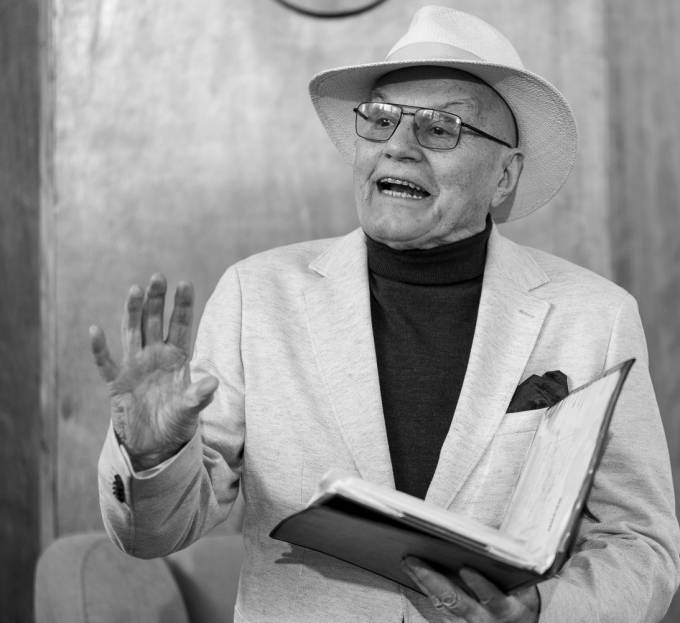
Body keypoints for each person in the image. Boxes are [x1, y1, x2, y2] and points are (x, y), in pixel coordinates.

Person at [92, 6, 680, 622]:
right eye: (379, 120)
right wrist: (153, 457)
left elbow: (640, 543)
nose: (398, 146)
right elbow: (153, 534)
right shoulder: (256, 295)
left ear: (504, 175)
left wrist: (540, 610)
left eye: (441, 127)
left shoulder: (594, 317)